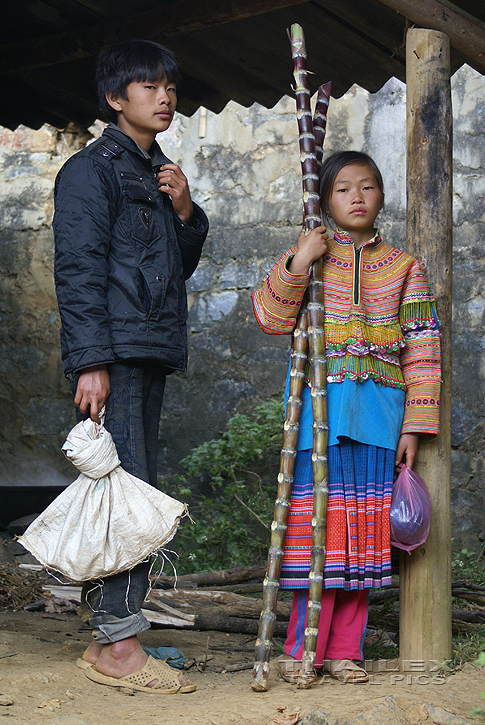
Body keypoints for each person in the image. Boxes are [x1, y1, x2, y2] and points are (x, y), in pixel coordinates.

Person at [53, 39, 209, 693]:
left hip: (145, 348)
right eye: (147, 86)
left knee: (134, 490)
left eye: (169, 85)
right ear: (116, 99)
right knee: (127, 493)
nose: (164, 96)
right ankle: (117, 644)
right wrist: (90, 360)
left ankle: (118, 632)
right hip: (115, 353)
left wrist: (185, 214)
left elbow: (172, 269)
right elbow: (79, 268)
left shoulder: (159, 172)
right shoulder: (92, 171)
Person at [252, 151, 441, 684]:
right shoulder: (311, 256)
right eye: (342, 189)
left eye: (367, 187)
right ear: (325, 199)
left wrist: (413, 427)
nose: (356, 197)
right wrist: (298, 261)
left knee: (362, 535)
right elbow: (269, 318)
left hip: (381, 421)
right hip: (318, 419)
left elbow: (423, 349)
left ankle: (343, 651)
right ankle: (301, 651)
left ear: (382, 196)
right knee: (317, 532)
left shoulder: (405, 268)